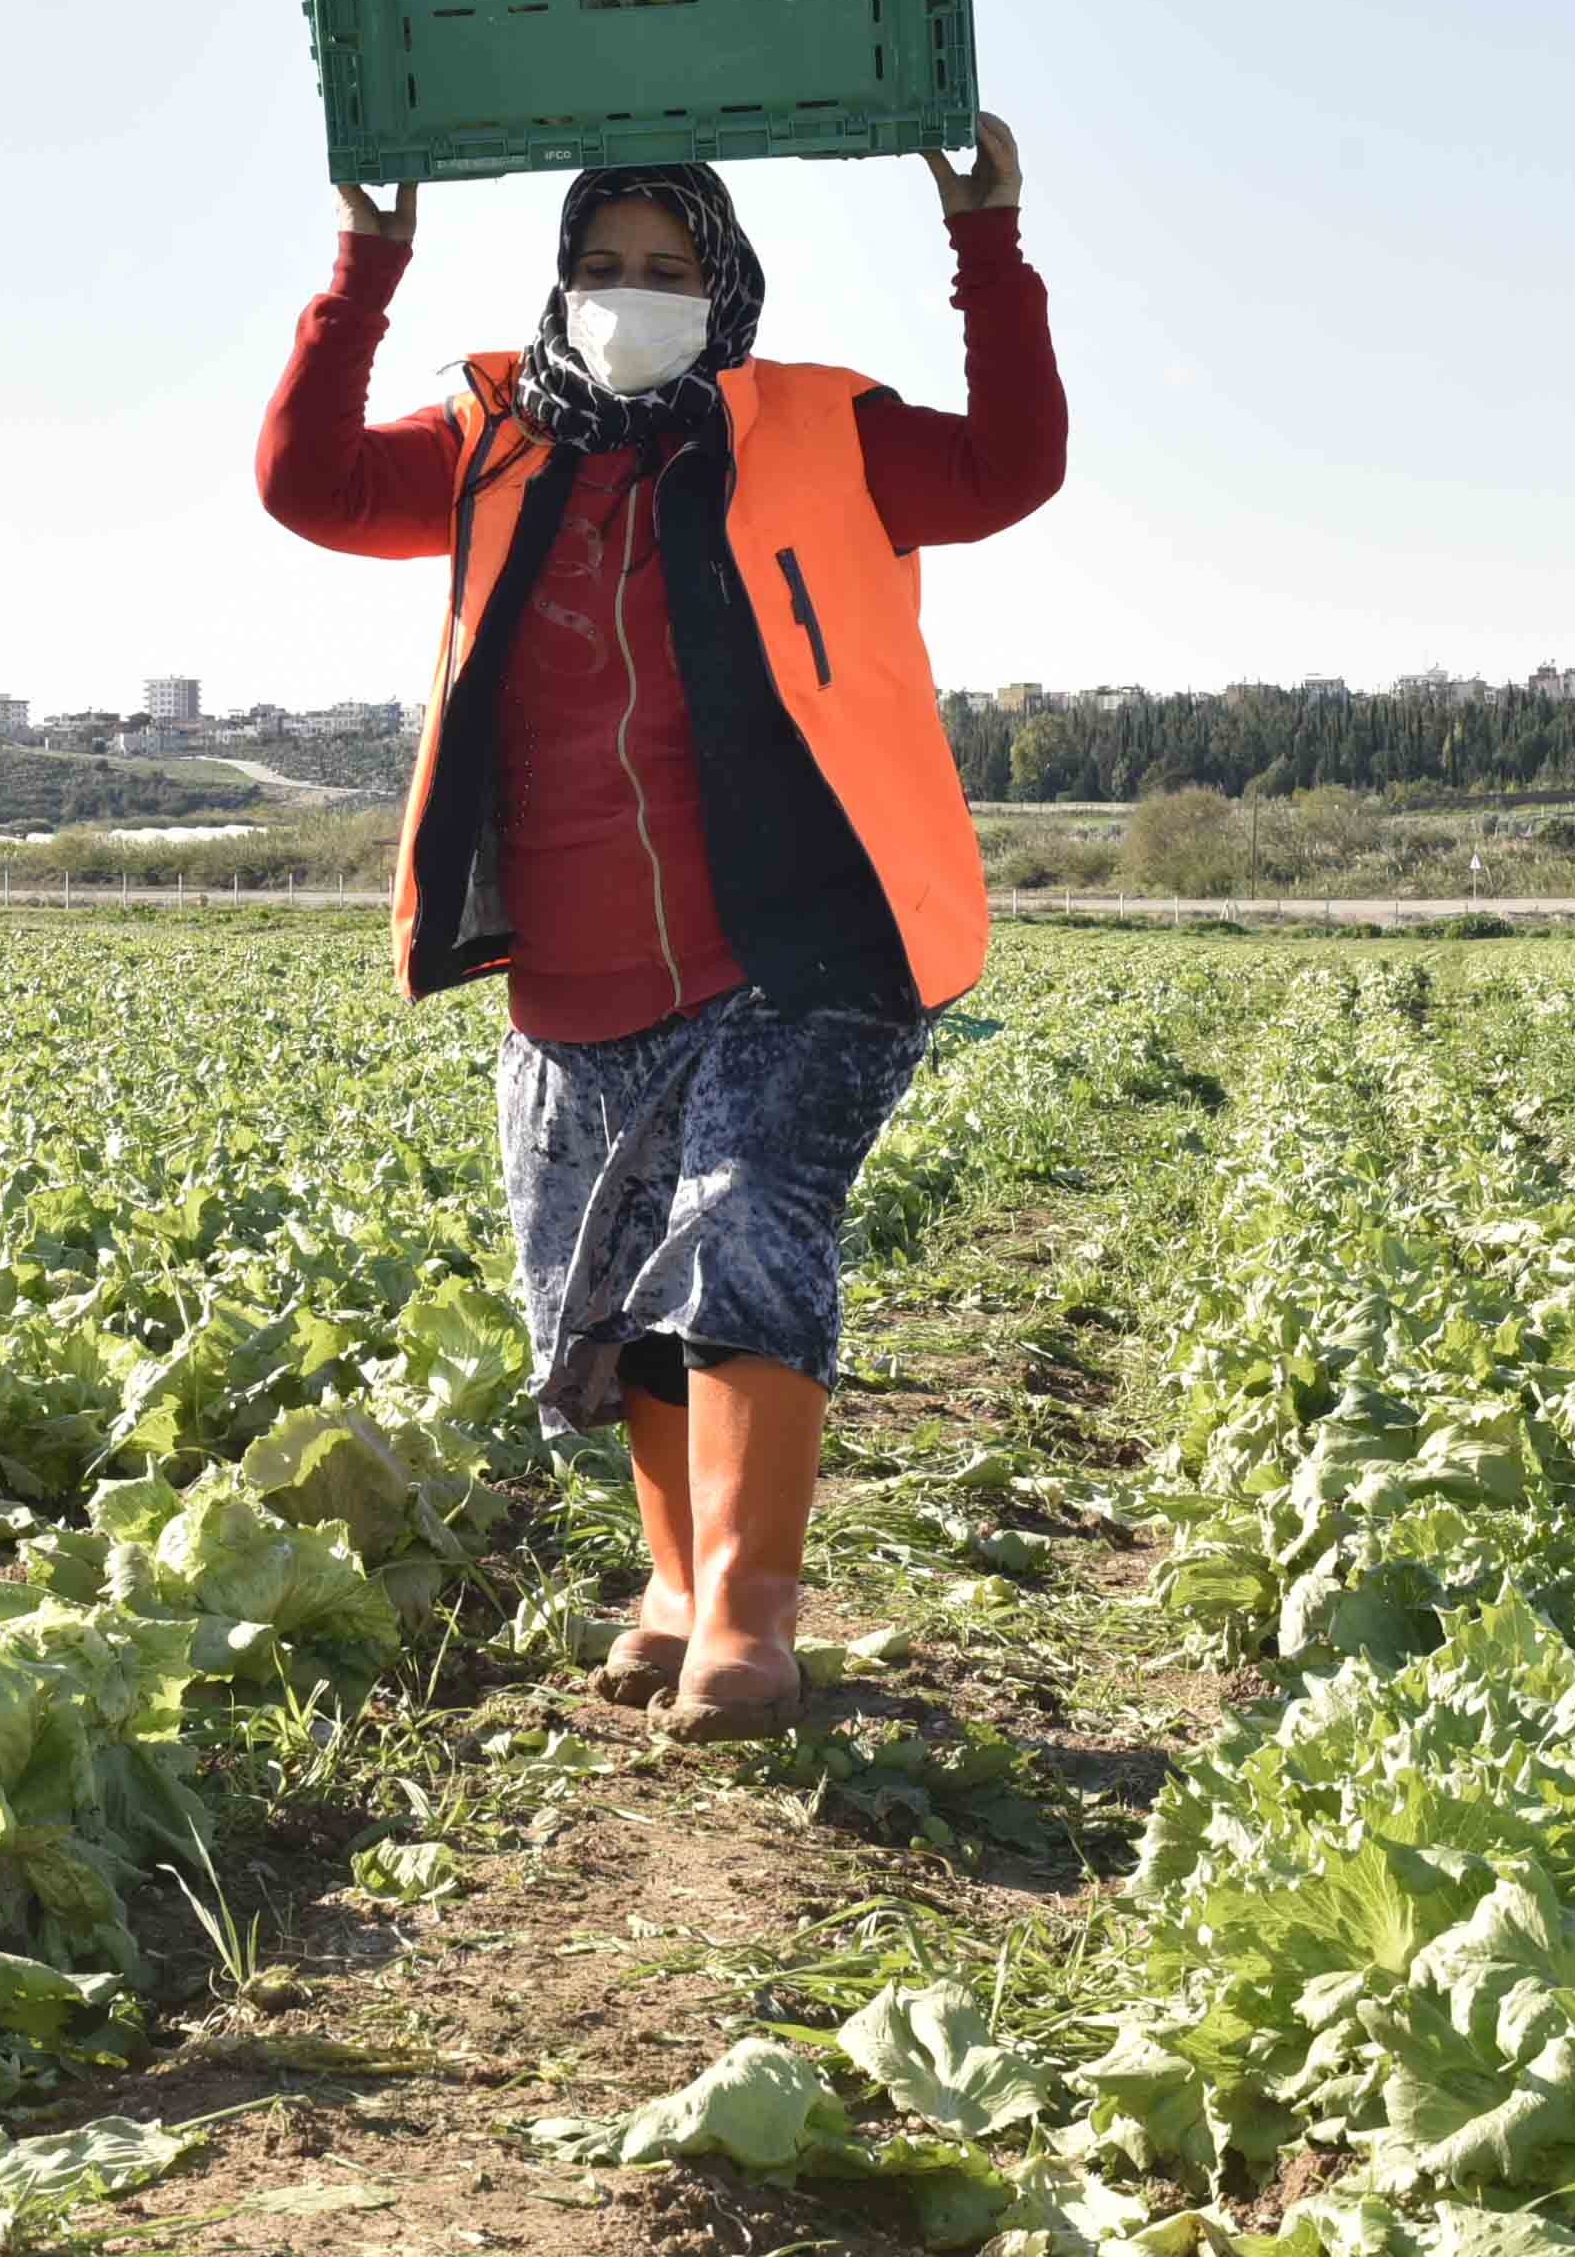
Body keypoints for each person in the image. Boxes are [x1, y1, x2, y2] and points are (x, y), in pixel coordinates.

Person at [256, 117, 1059, 1739]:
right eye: (604, 270)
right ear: (560, 287)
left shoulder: (821, 432)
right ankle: (679, 1587)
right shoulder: (494, 443)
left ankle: (751, 1628)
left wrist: (989, 242)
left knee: (748, 1226)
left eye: (670, 273)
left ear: (728, 288)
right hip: (574, 965)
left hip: (800, 945)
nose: (633, 298)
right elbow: (309, 486)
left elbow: (1008, 469)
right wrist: (365, 265)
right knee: (614, 1285)